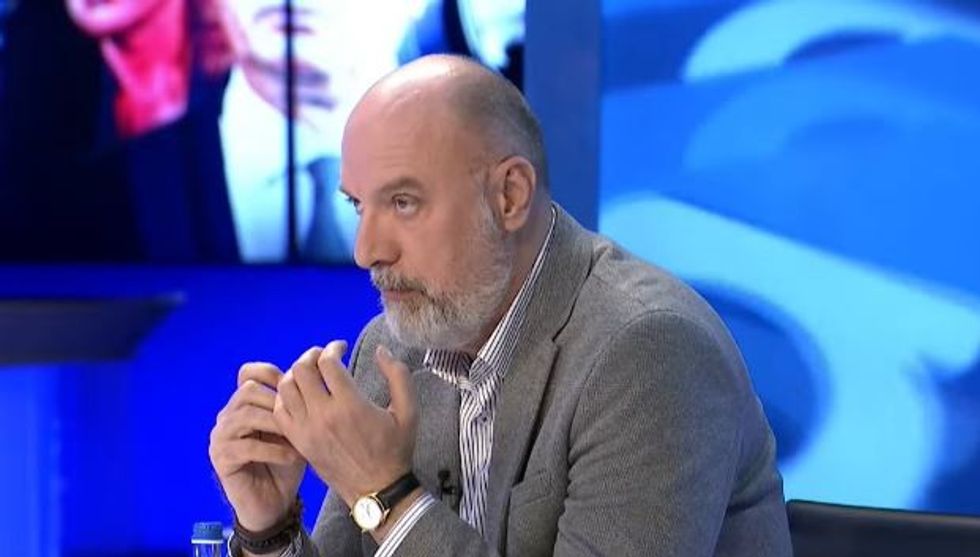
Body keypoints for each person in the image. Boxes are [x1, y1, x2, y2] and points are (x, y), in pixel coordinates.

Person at [208, 54, 793, 556]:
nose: (367, 251)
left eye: (404, 203)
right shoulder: (390, 350)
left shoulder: (647, 352)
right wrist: (270, 528)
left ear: (509, 196)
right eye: (359, 206)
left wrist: (384, 493)